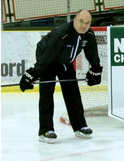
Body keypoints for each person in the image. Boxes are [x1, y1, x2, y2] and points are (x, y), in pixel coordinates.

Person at [19, 10, 103, 144]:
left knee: (73, 93)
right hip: (48, 60)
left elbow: (93, 55)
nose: (84, 26)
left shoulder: (89, 35)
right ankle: (45, 130)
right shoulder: (62, 34)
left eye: (87, 23)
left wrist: (95, 71)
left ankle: (80, 126)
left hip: (66, 62)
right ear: (75, 20)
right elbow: (46, 57)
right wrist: (32, 74)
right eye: (81, 22)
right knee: (47, 93)